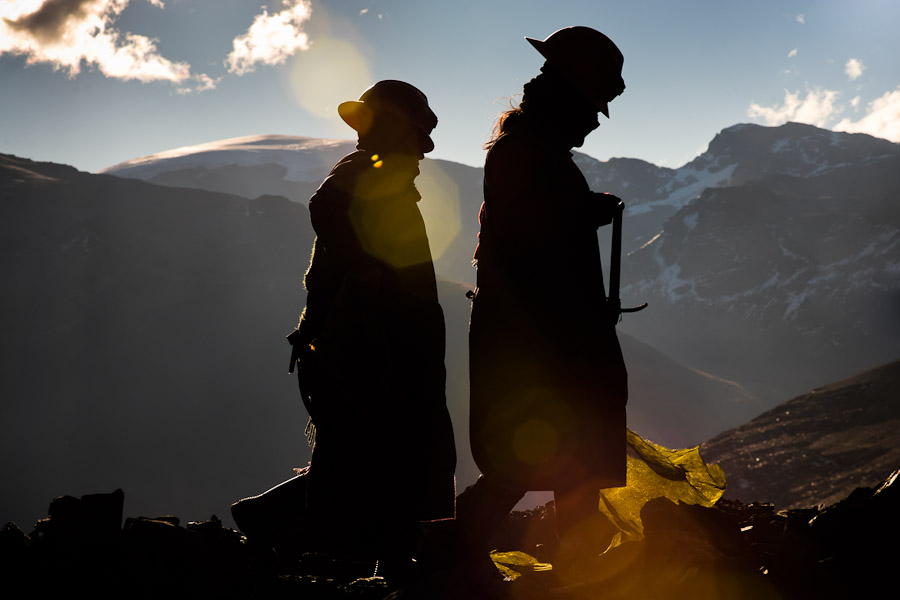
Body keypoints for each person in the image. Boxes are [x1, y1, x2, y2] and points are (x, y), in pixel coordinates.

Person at [236, 80, 456, 576]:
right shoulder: (365, 173)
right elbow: (325, 207)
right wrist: (367, 268)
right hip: (365, 347)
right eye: (416, 138)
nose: (422, 152)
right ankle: (368, 556)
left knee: (372, 452)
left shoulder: (375, 176)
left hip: (371, 344)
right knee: (381, 451)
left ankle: (388, 558)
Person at [461, 26, 629, 566]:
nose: (592, 123)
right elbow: (538, 235)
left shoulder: (527, 151)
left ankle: (568, 565)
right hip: (545, 340)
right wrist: (583, 214)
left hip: (544, 337)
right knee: (549, 457)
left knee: (558, 459)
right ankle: (454, 557)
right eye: (591, 107)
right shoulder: (528, 155)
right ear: (569, 95)